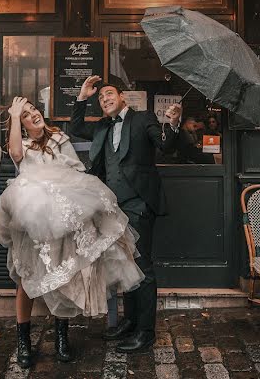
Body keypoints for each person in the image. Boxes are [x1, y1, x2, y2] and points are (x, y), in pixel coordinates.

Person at [0, 97, 145, 369]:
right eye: (27, 116)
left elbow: (77, 171)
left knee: (63, 276)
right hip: (30, 221)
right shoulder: (23, 144)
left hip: (62, 218)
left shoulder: (58, 138)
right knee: (26, 279)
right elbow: (16, 155)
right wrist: (15, 115)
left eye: (34, 111)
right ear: (21, 123)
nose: (34, 116)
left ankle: (62, 338)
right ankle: (23, 341)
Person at [70, 76, 182, 353]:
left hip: (139, 204)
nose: (105, 99)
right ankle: (131, 322)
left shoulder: (143, 119)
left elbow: (166, 145)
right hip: (113, 207)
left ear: (122, 97)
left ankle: (145, 332)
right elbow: (74, 128)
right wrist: (82, 97)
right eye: (101, 98)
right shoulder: (102, 128)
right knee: (125, 266)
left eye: (109, 94)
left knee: (142, 267)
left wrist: (173, 123)